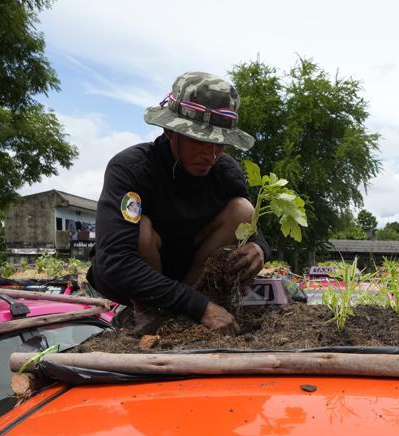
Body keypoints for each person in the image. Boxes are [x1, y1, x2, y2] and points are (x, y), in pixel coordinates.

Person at [88, 72, 269, 336]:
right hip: (132, 285)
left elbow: (253, 229)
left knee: (243, 210)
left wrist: (261, 248)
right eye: (198, 140)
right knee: (141, 229)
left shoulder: (225, 172)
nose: (211, 154)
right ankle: (149, 313)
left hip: (188, 277)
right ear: (170, 131)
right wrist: (199, 308)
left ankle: (181, 311)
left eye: (219, 143)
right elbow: (116, 263)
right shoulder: (132, 169)